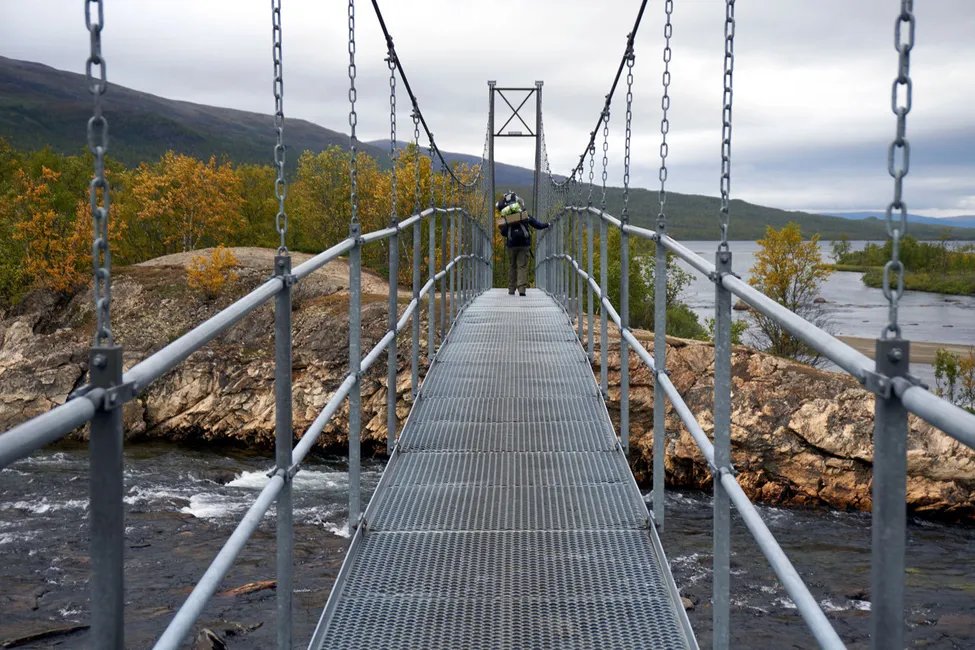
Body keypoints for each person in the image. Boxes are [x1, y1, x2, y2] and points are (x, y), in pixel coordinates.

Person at [496, 192, 550, 296]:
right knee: (522, 266)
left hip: (511, 245)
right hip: (524, 244)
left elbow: (502, 233)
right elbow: (537, 224)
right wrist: (547, 225)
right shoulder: (523, 214)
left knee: (512, 266)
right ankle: (521, 290)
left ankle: (511, 290)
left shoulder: (507, 217)